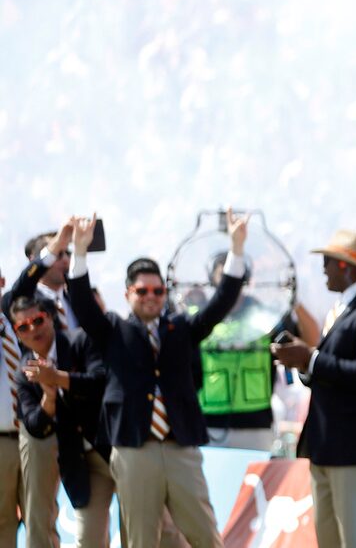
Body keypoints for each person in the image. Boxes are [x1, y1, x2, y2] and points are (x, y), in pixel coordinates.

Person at [66, 210, 249, 548]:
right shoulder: (113, 330)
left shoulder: (180, 328)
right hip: (135, 449)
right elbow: (81, 303)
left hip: (180, 447)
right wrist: (79, 252)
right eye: (142, 290)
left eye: (158, 290)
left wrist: (236, 251)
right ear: (127, 294)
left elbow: (219, 305)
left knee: (205, 534)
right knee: (140, 539)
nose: (151, 296)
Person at [272, 229, 356, 548]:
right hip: (327, 443)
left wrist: (311, 358)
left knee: (353, 536)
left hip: (353, 445)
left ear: (345, 266)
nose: (324, 269)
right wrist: (304, 362)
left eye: (328, 262)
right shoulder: (347, 308)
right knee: (328, 535)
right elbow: (332, 371)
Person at [11, 297, 113, 547]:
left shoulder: (81, 340)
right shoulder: (25, 372)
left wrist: (57, 377)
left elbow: (100, 382)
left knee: (158, 527)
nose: (33, 329)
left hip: (116, 448)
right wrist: (49, 395)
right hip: (80, 463)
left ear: (51, 317)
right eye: (23, 327)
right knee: (89, 538)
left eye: (37, 320)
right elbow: (35, 426)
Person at [198, 251, 320, 452]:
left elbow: (311, 340)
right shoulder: (199, 318)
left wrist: (293, 301)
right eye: (225, 278)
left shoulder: (266, 317)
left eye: (236, 277)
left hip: (256, 424)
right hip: (209, 424)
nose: (230, 284)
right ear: (212, 280)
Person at [0, 266, 25, 547]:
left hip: (34, 435)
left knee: (41, 516)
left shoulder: (23, 322)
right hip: (2, 440)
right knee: (3, 521)